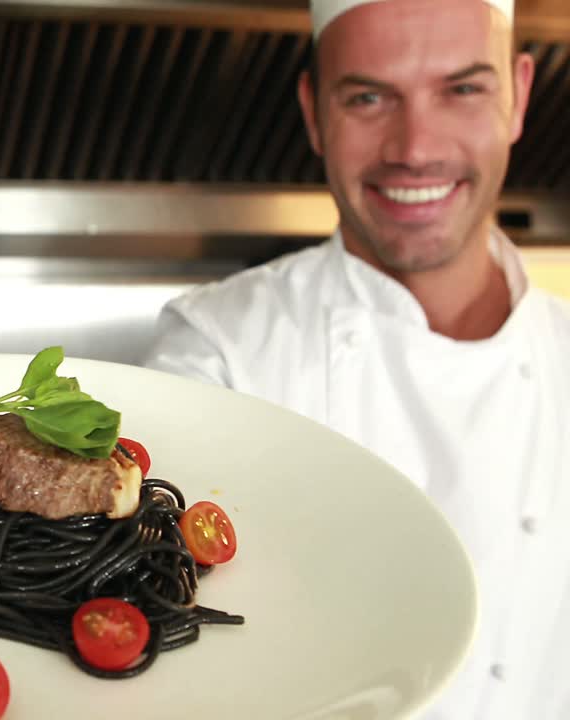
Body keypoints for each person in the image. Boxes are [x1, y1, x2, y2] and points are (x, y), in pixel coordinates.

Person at [140, 0, 570, 716]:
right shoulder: (220, 354)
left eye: (463, 89)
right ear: (314, 113)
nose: (415, 146)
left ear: (520, 95)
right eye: (370, 97)